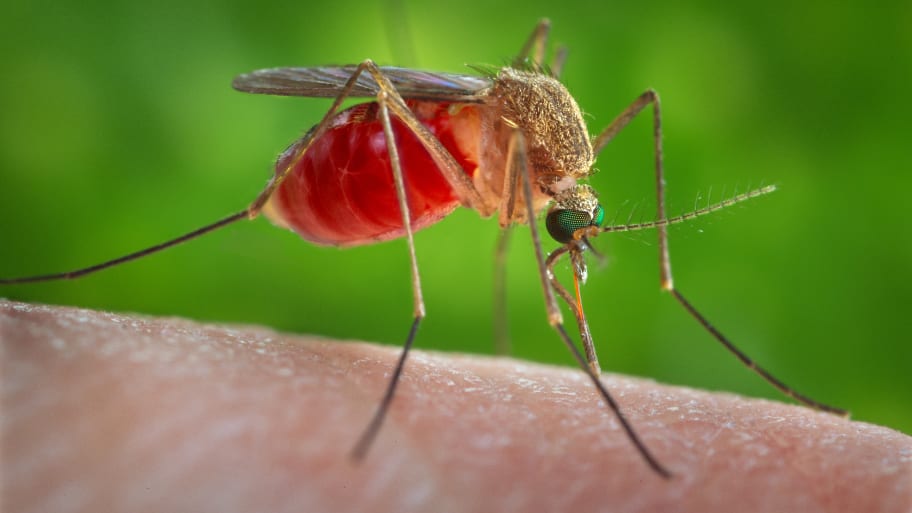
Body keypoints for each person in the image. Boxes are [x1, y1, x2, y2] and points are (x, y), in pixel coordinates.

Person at [3, 300, 910, 512]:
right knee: (377, 82)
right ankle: (418, 313)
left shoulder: (561, 176)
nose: (578, 244)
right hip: (392, 136)